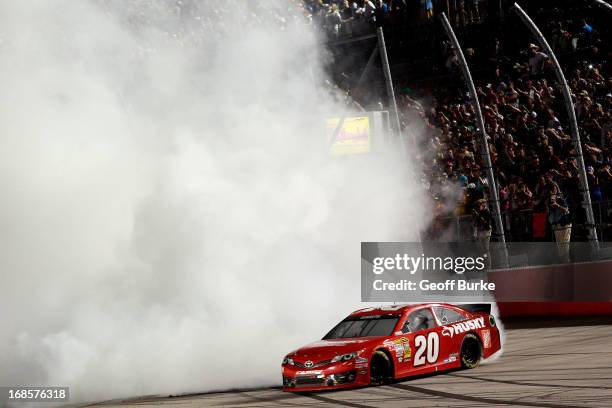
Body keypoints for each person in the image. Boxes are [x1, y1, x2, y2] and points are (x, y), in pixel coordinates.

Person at [546, 185, 571, 262]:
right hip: (556, 225)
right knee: (560, 245)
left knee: (565, 243)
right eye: (551, 191)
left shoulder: (561, 200)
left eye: (554, 190)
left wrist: (558, 205)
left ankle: (567, 260)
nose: (553, 192)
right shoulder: (549, 202)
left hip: (565, 224)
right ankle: (564, 261)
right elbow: (549, 215)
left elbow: (566, 210)